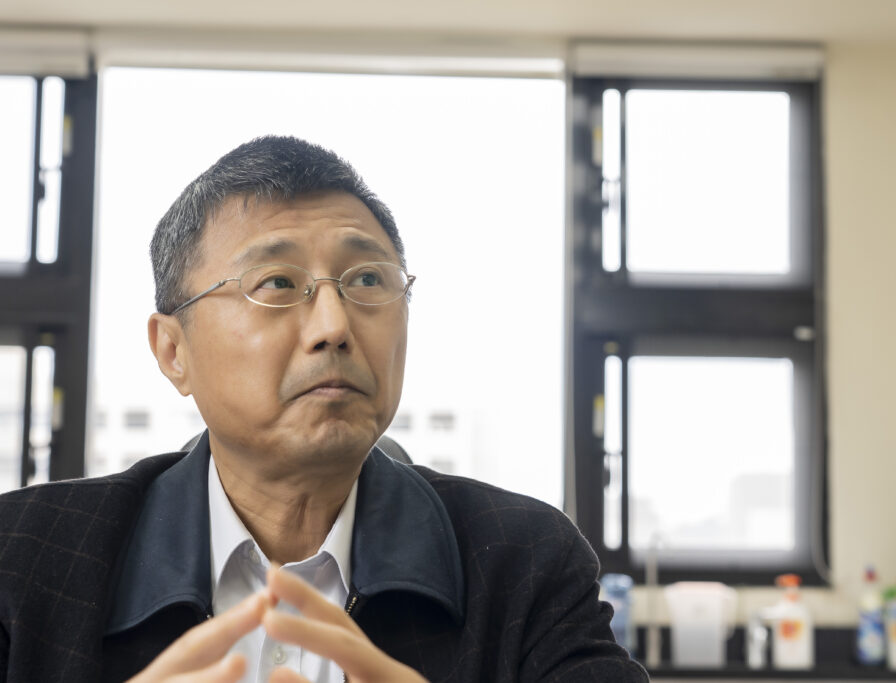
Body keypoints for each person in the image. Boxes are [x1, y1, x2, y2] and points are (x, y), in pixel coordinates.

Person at [0, 135, 649, 683]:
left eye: (367, 280)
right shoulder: (22, 558)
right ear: (173, 351)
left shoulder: (525, 561)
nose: (334, 326)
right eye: (278, 283)